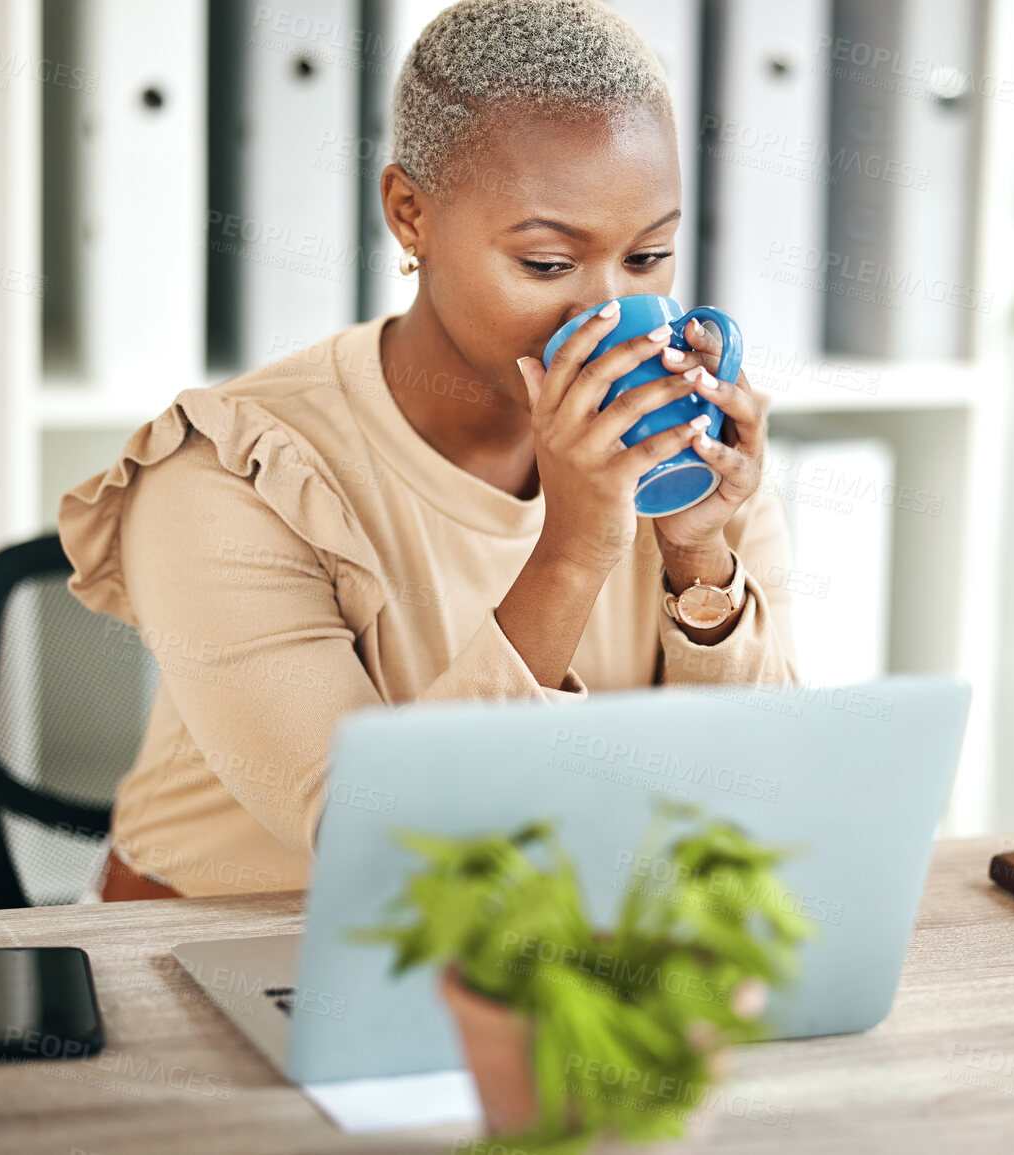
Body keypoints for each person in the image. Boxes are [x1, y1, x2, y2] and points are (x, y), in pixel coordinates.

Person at [58, 0, 797, 902]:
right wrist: (572, 550)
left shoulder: (683, 443)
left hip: (542, 935)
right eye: (548, 265)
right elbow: (383, 847)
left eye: (647, 258)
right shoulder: (223, 473)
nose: (606, 315)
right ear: (410, 213)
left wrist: (695, 555)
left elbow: (758, 805)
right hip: (219, 948)